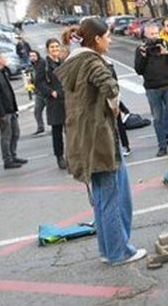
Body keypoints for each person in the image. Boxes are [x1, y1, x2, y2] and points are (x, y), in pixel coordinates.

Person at [55, 17, 145, 266]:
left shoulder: (74, 62)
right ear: (96, 39)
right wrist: (114, 108)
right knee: (115, 198)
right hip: (100, 138)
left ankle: (108, 250)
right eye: (107, 36)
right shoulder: (92, 61)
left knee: (103, 199)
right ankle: (119, 252)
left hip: (83, 138)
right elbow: (110, 88)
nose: (110, 40)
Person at [135, 22, 168, 156]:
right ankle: (162, 146)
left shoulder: (165, 44)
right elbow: (138, 70)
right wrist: (144, 56)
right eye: (152, 34)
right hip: (152, 87)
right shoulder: (141, 49)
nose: (155, 37)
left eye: (156, 33)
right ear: (145, 35)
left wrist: (167, 53)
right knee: (157, 118)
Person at [0, 52, 27, 169]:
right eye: (4, 57)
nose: (6, 59)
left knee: (15, 133)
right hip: (2, 111)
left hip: (10, 109)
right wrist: (1, 113)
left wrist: (14, 109)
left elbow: (9, 92)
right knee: (6, 135)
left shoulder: (2, 72)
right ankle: (7, 160)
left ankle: (13, 155)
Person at [35, 38, 67, 169]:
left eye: (57, 46)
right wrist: (51, 92)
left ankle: (73, 155)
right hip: (54, 102)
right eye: (52, 47)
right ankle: (60, 157)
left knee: (70, 129)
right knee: (57, 131)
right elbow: (38, 82)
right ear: (48, 49)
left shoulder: (62, 61)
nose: (55, 49)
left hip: (66, 99)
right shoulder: (44, 64)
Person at [27, 50, 46, 134]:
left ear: (38, 56)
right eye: (30, 56)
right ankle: (40, 127)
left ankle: (57, 126)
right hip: (39, 92)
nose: (32, 58)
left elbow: (39, 77)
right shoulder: (32, 65)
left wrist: (32, 81)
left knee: (51, 110)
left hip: (46, 91)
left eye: (34, 56)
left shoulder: (42, 63)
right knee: (37, 111)